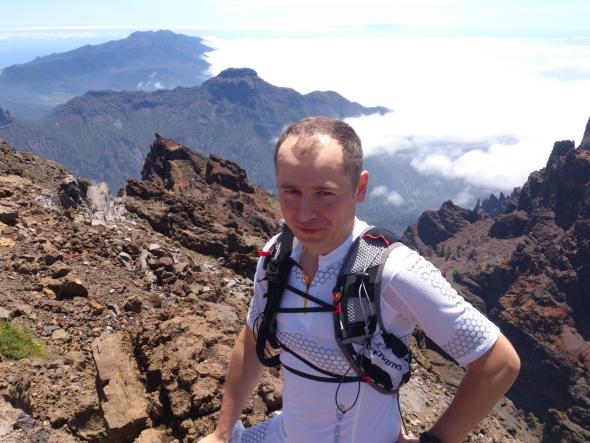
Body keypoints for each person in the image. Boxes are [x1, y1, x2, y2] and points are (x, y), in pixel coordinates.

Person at [199, 116, 520, 443]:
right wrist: (222, 434)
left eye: (324, 193)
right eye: (291, 191)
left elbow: (498, 362)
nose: (304, 213)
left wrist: (435, 440)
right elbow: (253, 338)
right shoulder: (276, 256)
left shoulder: (394, 271)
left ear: (360, 188)